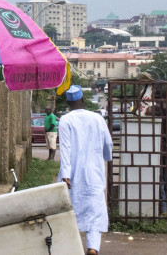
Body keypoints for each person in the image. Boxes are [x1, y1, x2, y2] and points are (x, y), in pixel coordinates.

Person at [58, 84, 113, 255]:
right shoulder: (97, 118)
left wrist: (66, 174)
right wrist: (107, 156)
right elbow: (108, 143)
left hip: (74, 175)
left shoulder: (66, 120)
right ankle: (93, 247)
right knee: (95, 211)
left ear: (68, 102)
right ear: (82, 100)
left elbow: (65, 148)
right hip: (94, 173)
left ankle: (71, 247)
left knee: (70, 210)